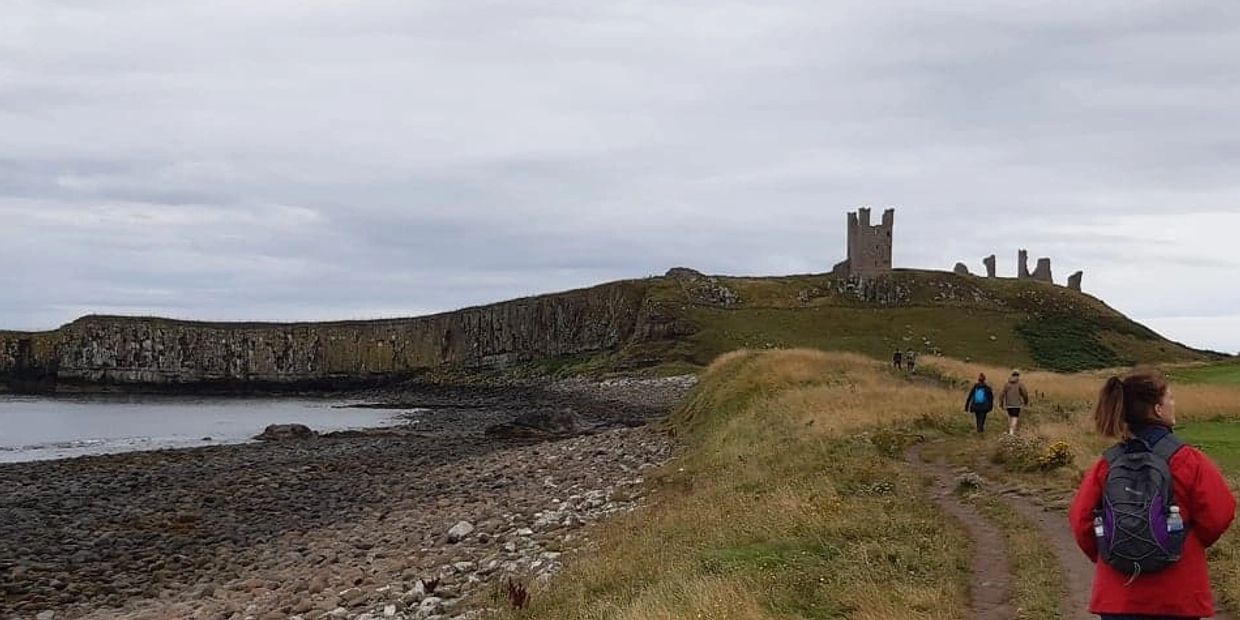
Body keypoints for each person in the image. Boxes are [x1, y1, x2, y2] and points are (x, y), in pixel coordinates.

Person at [1068, 369, 1235, 619]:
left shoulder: (1108, 463)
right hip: (1178, 594)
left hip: (1118, 596)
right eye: (1170, 398)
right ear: (1157, 409)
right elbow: (1219, 513)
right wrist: (1180, 542)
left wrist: (1114, 552)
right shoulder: (1188, 459)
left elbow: (1081, 520)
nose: (1173, 403)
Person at [999, 370, 1029, 435]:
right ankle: (1011, 432)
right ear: (1018, 376)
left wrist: (1001, 403)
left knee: (1010, 417)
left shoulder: (1007, 384)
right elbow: (1025, 393)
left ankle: (1010, 431)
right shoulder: (1020, 384)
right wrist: (1026, 401)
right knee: (1015, 417)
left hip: (1008, 404)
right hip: (1017, 404)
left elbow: (1001, 394)